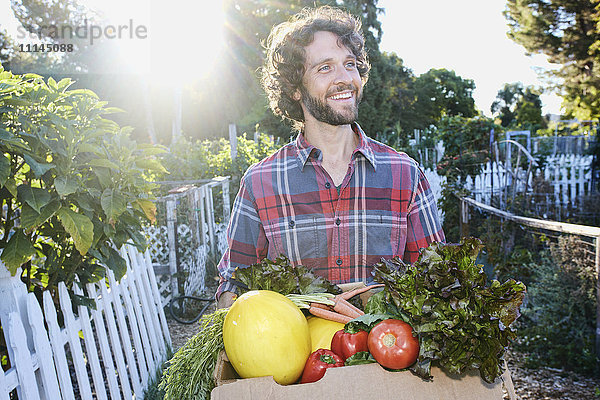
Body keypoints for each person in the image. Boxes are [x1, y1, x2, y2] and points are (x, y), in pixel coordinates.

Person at [216, 6, 444, 308]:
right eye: (325, 68)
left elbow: (437, 280)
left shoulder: (405, 174)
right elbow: (235, 282)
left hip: (385, 353)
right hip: (295, 354)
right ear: (295, 88)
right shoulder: (260, 184)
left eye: (350, 64)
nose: (344, 78)